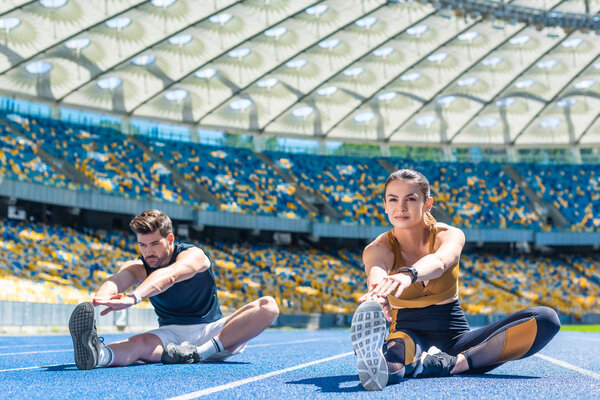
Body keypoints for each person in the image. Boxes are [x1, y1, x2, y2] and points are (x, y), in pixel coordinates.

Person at [350, 169, 560, 391]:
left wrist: (408, 274)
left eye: (411, 199)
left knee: (546, 319)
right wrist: (378, 291)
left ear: (427, 203)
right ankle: (402, 359)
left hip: (456, 339)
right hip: (408, 332)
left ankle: (451, 364)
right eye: (393, 199)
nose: (400, 207)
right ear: (384, 204)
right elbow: (376, 269)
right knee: (390, 368)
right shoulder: (379, 247)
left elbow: (440, 261)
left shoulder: (449, 235)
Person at [69, 209, 279, 370]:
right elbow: (116, 280)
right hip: (171, 339)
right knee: (139, 342)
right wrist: (99, 301)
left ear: (170, 239)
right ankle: (98, 356)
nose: (148, 252)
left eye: (154, 244)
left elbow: (170, 276)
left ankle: (199, 353)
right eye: (142, 245)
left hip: (213, 332)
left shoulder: (193, 256)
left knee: (268, 306)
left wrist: (134, 297)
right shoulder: (138, 266)